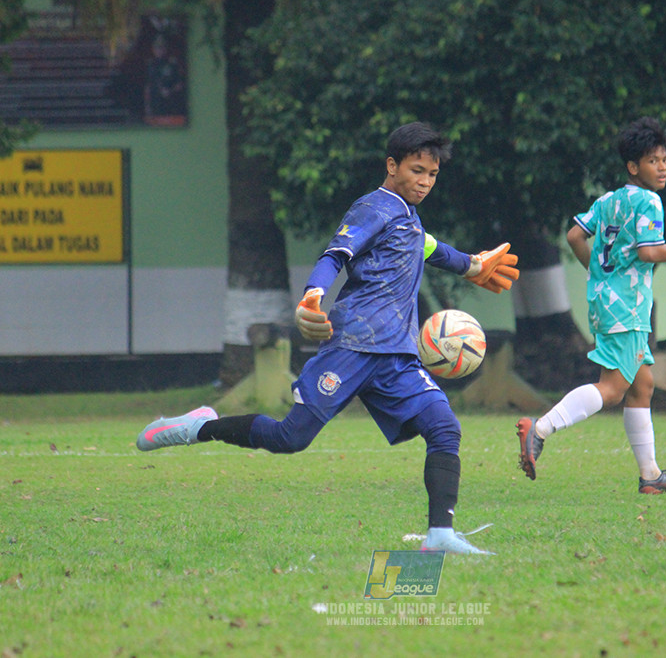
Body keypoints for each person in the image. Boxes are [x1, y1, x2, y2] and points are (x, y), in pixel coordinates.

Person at [137, 122, 519, 554]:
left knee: (444, 427)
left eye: (432, 174)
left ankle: (440, 536)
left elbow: (429, 247)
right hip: (352, 346)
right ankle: (198, 427)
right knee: (290, 438)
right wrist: (313, 294)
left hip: (396, 357)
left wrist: (470, 265)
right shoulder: (373, 208)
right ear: (392, 165)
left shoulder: (409, 217)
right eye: (417, 171)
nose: (425, 182)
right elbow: (335, 254)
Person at [516, 116, 666, 494]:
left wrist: (598, 273)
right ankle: (541, 428)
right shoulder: (649, 200)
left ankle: (650, 476)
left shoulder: (608, 200)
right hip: (627, 306)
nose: (662, 167)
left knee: (642, 385)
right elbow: (649, 252)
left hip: (606, 301)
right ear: (633, 166)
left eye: (665, 159)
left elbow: (574, 235)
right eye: (652, 161)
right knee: (613, 388)